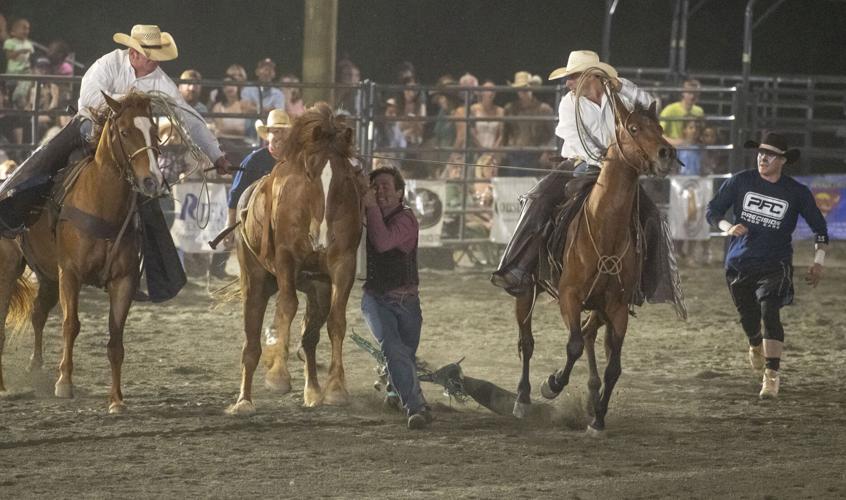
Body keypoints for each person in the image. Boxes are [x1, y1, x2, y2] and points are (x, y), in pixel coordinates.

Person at [0, 24, 233, 301]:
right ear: (134, 53)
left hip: (129, 145)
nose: (155, 61)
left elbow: (189, 117)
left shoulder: (160, 81)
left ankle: (150, 275)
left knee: (150, 194)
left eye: (157, 54)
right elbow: (88, 99)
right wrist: (128, 103)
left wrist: (216, 154)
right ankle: (10, 207)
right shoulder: (108, 64)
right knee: (46, 159)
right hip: (90, 127)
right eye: (150, 54)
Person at [491, 50, 655, 294]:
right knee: (539, 199)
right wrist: (605, 163)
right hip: (579, 164)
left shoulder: (619, 95)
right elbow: (576, 138)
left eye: (574, 76)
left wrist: (621, 86)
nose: (567, 82)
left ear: (592, 77)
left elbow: (651, 104)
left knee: (652, 214)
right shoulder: (569, 102)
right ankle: (518, 265)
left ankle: (646, 280)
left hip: (619, 170)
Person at [706, 132, 828, 399]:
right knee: (748, 318)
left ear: (782, 160)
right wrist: (728, 227)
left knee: (769, 311)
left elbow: (820, 229)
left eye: (769, 154)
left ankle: (772, 375)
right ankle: (754, 343)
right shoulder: (741, 181)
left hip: (776, 263)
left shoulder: (796, 192)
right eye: (760, 152)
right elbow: (713, 211)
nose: (762, 157)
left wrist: (818, 262)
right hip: (739, 263)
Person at [360, 166, 431, 430]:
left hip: (407, 303)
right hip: (376, 299)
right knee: (393, 348)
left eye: (386, 186)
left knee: (404, 357)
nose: (380, 191)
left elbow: (383, 242)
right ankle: (416, 408)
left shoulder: (406, 220)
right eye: (375, 187)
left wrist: (370, 209)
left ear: (400, 193)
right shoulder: (368, 215)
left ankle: (394, 392)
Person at [226, 108, 291, 231]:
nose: (281, 136)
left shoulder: (296, 161)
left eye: (285, 132)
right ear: (267, 135)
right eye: (276, 131)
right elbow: (236, 193)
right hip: (257, 222)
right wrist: (230, 224)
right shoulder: (253, 161)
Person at [500, 71, 555, 177]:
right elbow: (504, 132)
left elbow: (553, 134)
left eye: (525, 87)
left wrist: (546, 152)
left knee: (531, 186)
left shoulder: (544, 109)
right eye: (520, 88)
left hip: (535, 154)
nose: (523, 91)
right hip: (514, 153)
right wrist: (504, 151)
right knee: (514, 184)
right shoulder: (510, 108)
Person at [660, 79, 705, 146]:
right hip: (672, 151)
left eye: (695, 93)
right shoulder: (669, 110)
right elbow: (658, 134)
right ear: (683, 92)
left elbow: (701, 134)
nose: (692, 96)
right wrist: (677, 143)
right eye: (689, 93)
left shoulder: (699, 111)